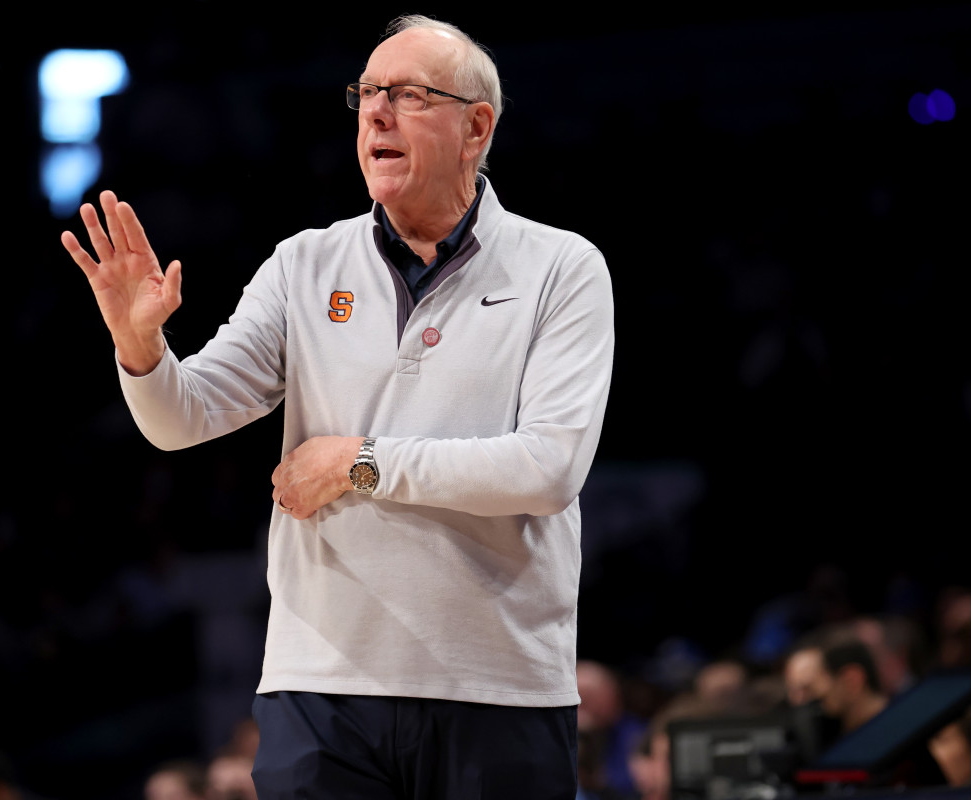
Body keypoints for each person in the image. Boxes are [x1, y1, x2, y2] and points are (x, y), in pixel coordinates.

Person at [62, 13, 614, 799]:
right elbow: (182, 420)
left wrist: (359, 463)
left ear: (476, 127)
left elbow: (547, 469)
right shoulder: (304, 264)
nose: (378, 113)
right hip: (319, 690)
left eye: (410, 95)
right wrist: (141, 350)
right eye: (367, 94)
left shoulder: (563, 267)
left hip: (498, 688)